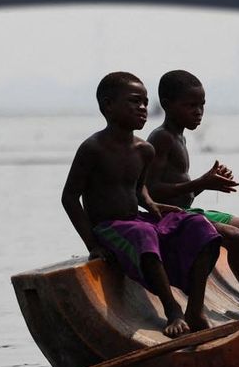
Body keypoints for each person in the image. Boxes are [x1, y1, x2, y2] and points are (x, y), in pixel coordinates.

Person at [61, 72, 221, 337]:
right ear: (107, 106)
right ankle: (172, 311)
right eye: (135, 102)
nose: (143, 108)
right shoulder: (93, 149)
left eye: (146, 103)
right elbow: (69, 198)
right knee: (143, 233)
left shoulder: (144, 150)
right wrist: (93, 245)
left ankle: (194, 308)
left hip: (138, 220)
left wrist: (153, 204)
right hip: (109, 227)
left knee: (199, 226)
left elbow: (139, 188)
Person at [146, 70, 239, 312]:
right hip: (170, 218)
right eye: (190, 105)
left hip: (187, 211)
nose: (198, 112)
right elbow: (152, 192)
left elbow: (183, 194)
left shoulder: (179, 138)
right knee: (234, 237)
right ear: (167, 104)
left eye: (202, 105)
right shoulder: (161, 138)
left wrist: (207, 184)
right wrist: (201, 182)